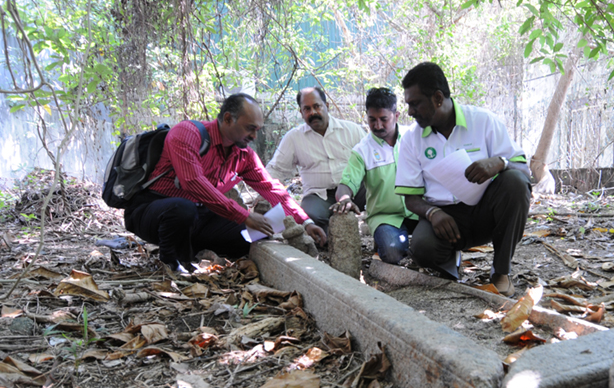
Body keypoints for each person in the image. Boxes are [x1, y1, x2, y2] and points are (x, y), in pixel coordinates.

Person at [124, 93, 326, 273]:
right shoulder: (187, 133)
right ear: (228, 119)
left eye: (257, 130)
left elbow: (271, 188)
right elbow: (193, 183)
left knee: (255, 234)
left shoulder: (243, 155)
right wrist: (245, 215)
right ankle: (172, 262)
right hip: (153, 210)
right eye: (250, 128)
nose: (254, 136)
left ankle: (194, 250)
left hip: (199, 216)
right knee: (182, 209)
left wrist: (305, 222)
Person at [395, 62, 531, 297]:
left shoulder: (484, 121)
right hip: (445, 218)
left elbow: (525, 172)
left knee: (515, 183)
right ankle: (449, 266)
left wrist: (500, 162)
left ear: (438, 98)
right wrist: (432, 213)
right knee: (421, 247)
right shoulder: (411, 139)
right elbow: (411, 198)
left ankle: (501, 272)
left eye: (415, 103)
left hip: (485, 213)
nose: (410, 112)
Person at [330, 87, 418, 263]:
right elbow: (347, 183)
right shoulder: (362, 150)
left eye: (383, 119)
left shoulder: (415, 137)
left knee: (430, 246)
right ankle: (385, 238)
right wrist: (345, 199)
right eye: (372, 120)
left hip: (419, 210)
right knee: (392, 252)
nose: (377, 126)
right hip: (386, 216)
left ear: (397, 115)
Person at [264, 87, 368, 232]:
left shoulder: (352, 130)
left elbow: (371, 162)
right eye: (307, 108)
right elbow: (277, 169)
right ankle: (331, 237)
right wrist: (262, 194)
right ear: (301, 112)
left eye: (317, 106)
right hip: (319, 195)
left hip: (355, 190)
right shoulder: (294, 138)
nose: (313, 112)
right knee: (309, 219)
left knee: (380, 200)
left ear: (327, 106)